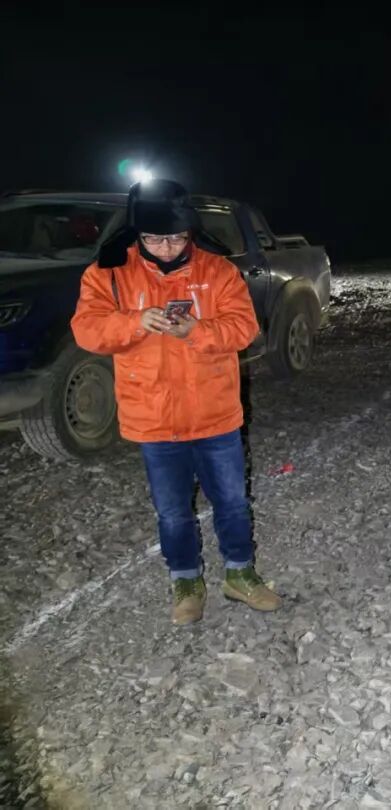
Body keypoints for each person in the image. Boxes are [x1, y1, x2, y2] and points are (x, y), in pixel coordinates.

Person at [71, 179, 281, 625]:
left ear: (190, 232)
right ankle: (185, 581)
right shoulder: (108, 274)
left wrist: (197, 331)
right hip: (153, 418)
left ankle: (240, 574)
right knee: (171, 512)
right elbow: (87, 330)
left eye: (176, 238)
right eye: (153, 239)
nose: (166, 248)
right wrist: (134, 322)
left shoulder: (218, 270)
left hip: (214, 414)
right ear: (137, 234)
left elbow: (244, 328)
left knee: (232, 502)